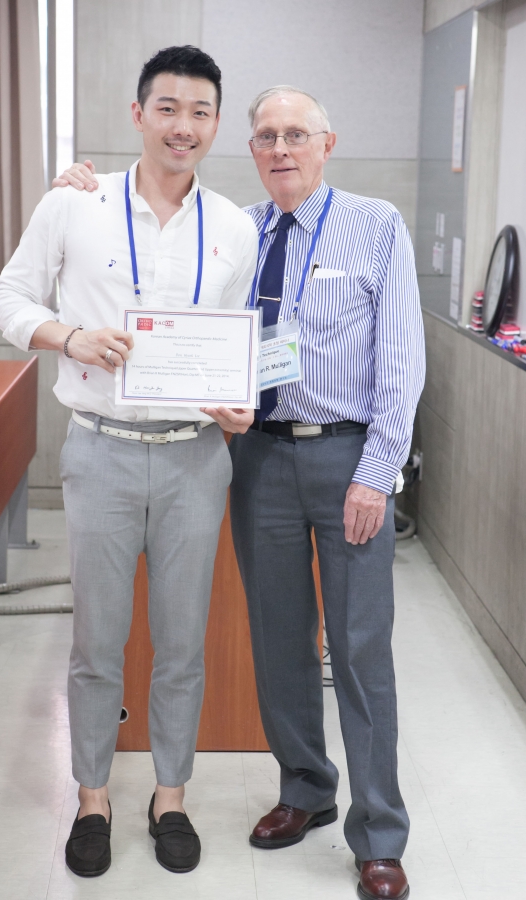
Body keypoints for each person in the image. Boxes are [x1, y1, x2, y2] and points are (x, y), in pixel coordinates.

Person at [55, 84, 425, 900]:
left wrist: (377, 473)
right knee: (279, 637)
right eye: (265, 136)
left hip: (347, 457)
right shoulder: (238, 231)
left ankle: (379, 832)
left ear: (327, 143)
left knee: (359, 647)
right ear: (249, 148)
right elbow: (164, 301)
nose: (281, 149)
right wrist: (77, 190)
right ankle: (306, 788)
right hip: (258, 457)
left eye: (296, 134)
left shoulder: (375, 226)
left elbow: (403, 362)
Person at [0, 45, 258, 879]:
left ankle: (170, 796)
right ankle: (93, 796)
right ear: (139, 114)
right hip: (101, 450)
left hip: (195, 458)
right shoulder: (75, 204)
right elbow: (8, 298)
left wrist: (240, 401)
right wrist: (68, 337)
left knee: (182, 644)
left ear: (216, 124)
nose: (184, 125)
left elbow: (240, 346)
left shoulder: (236, 227)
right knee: (96, 643)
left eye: (200, 112)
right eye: (168, 108)